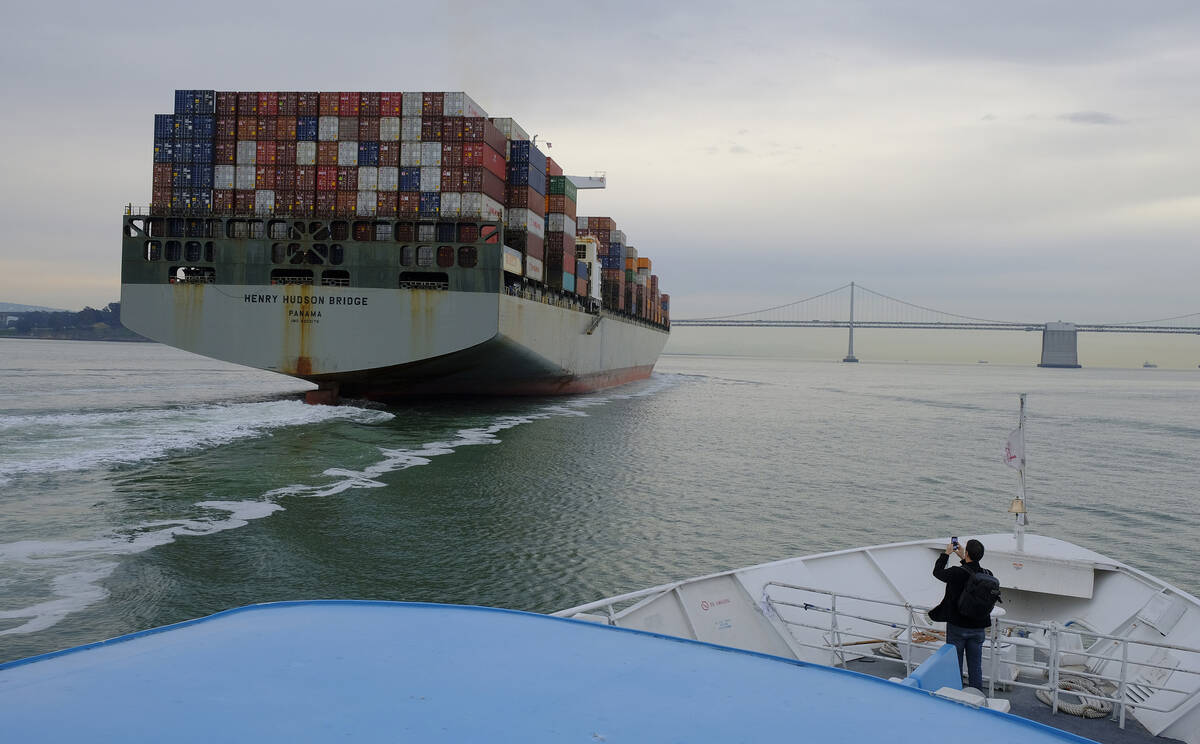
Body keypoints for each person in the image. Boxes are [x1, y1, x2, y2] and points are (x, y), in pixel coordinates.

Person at [929, 538, 991, 691]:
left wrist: (947, 554)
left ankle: (956, 692)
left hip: (957, 626)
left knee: (954, 664)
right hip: (979, 627)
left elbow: (937, 572)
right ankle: (977, 695)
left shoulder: (956, 572)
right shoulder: (988, 574)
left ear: (967, 552)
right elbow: (972, 572)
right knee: (975, 666)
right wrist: (964, 558)